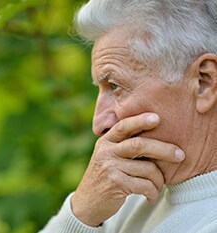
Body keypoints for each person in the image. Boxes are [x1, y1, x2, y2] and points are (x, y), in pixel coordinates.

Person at [39, 0, 217, 232]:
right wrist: (81, 214)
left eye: (115, 86)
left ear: (204, 82)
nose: (99, 123)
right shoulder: (130, 192)